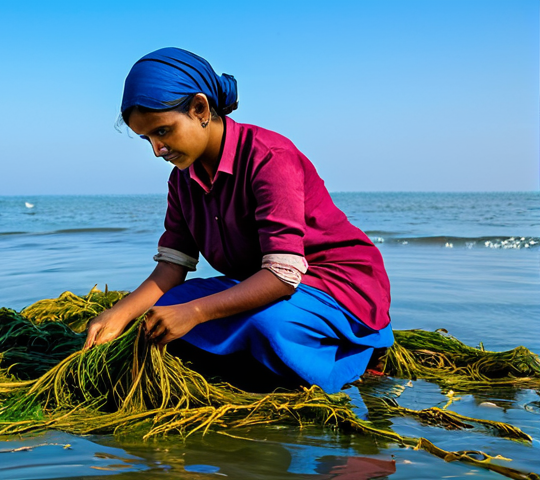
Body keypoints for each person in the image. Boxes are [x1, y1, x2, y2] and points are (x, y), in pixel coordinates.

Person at [84, 47, 393, 394]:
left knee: (266, 325)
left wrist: (197, 312)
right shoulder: (181, 180)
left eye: (163, 131)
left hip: (335, 284)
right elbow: (172, 268)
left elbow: (281, 275)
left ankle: (357, 352)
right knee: (157, 314)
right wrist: (118, 314)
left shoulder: (269, 157)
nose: (157, 149)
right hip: (261, 283)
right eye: (148, 139)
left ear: (199, 108)